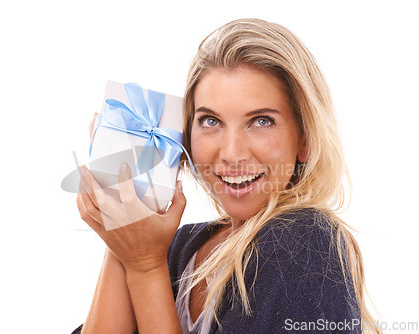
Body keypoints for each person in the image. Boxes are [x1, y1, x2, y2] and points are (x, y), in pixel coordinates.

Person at [73, 18, 380, 334]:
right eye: (210, 121)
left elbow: (144, 266)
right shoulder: (182, 246)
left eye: (261, 121)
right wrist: (124, 225)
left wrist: (144, 268)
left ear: (305, 139)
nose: (232, 153)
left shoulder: (305, 241)